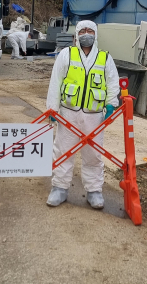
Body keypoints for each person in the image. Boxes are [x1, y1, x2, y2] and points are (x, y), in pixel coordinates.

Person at [46, 20, 120, 209]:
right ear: (77, 34)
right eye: (83, 31)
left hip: (94, 115)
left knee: (93, 154)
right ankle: (59, 188)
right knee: (63, 151)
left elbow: (112, 82)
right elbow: (56, 81)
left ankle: (94, 191)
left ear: (95, 34)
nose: (86, 34)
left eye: (90, 31)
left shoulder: (105, 58)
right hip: (68, 113)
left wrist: (111, 104)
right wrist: (52, 108)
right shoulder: (66, 55)